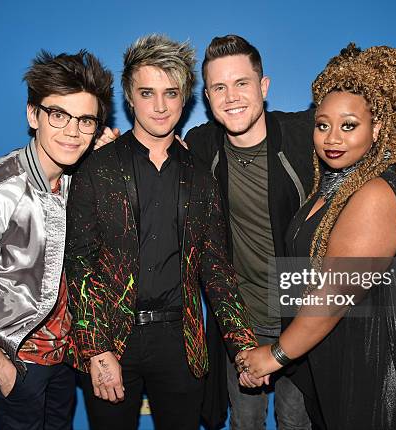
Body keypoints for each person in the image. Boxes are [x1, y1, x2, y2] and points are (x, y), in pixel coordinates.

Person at [236, 43, 396, 430]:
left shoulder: (375, 193)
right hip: (344, 360)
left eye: (349, 125)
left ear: (377, 128)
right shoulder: (333, 185)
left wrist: (274, 355)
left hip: (383, 377)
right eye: (323, 124)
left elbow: (333, 296)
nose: (332, 138)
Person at [64, 34, 257, 430]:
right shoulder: (97, 168)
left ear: (185, 97)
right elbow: (78, 264)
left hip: (180, 342)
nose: (159, 106)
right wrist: (96, 349)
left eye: (171, 93)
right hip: (112, 338)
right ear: (129, 98)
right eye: (147, 93)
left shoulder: (201, 177)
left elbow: (216, 270)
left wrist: (243, 346)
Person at [0, 50, 114, 429]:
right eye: (58, 115)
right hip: (16, 362)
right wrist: (0, 368)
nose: (72, 131)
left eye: (85, 120)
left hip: (64, 357)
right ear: (34, 115)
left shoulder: (78, 180)